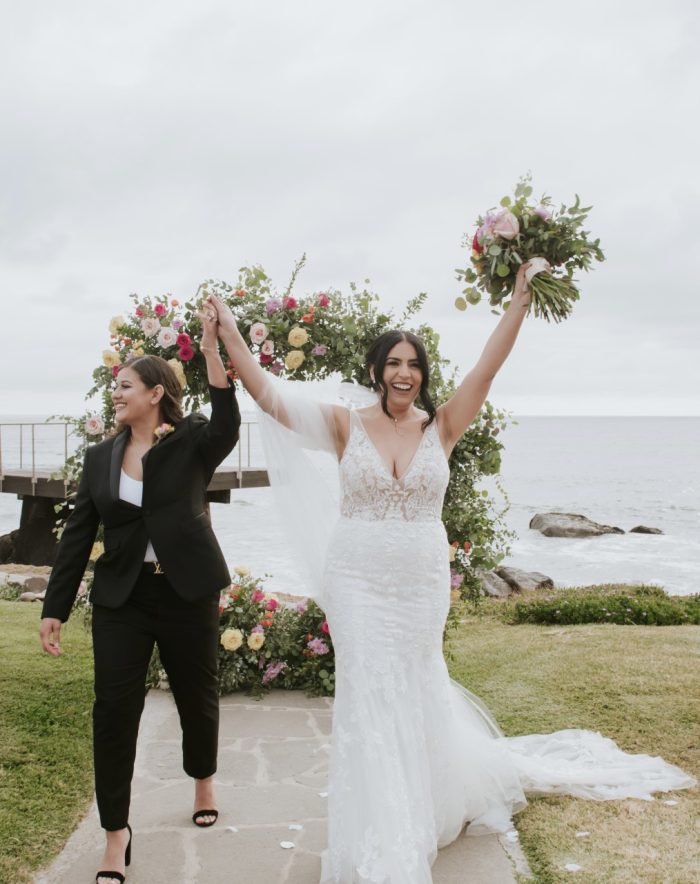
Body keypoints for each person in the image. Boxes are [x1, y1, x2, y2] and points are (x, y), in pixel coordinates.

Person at [205, 266, 695, 884]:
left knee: (415, 684)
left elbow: (487, 369)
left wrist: (519, 302)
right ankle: (382, 829)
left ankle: (426, 800)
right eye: (393, 363)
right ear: (376, 369)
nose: (404, 373)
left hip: (418, 583)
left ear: (423, 374)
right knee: (368, 692)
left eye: (414, 364)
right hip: (356, 578)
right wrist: (228, 333)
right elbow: (269, 397)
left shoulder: (442, 426)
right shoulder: (343, 424)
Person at [39, 309, 240, 884]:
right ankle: (115, 834)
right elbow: (79, 534)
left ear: (155, 393)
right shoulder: (100, 457)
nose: (116, 393)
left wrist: (210, 348)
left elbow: (228, 421)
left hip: (186, 593)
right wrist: (54, 608)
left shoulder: (192, 441)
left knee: (196, 697)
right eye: (115, 386)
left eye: (125, 385)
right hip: (121, 601)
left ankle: (203, 781)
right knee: (112, 712)